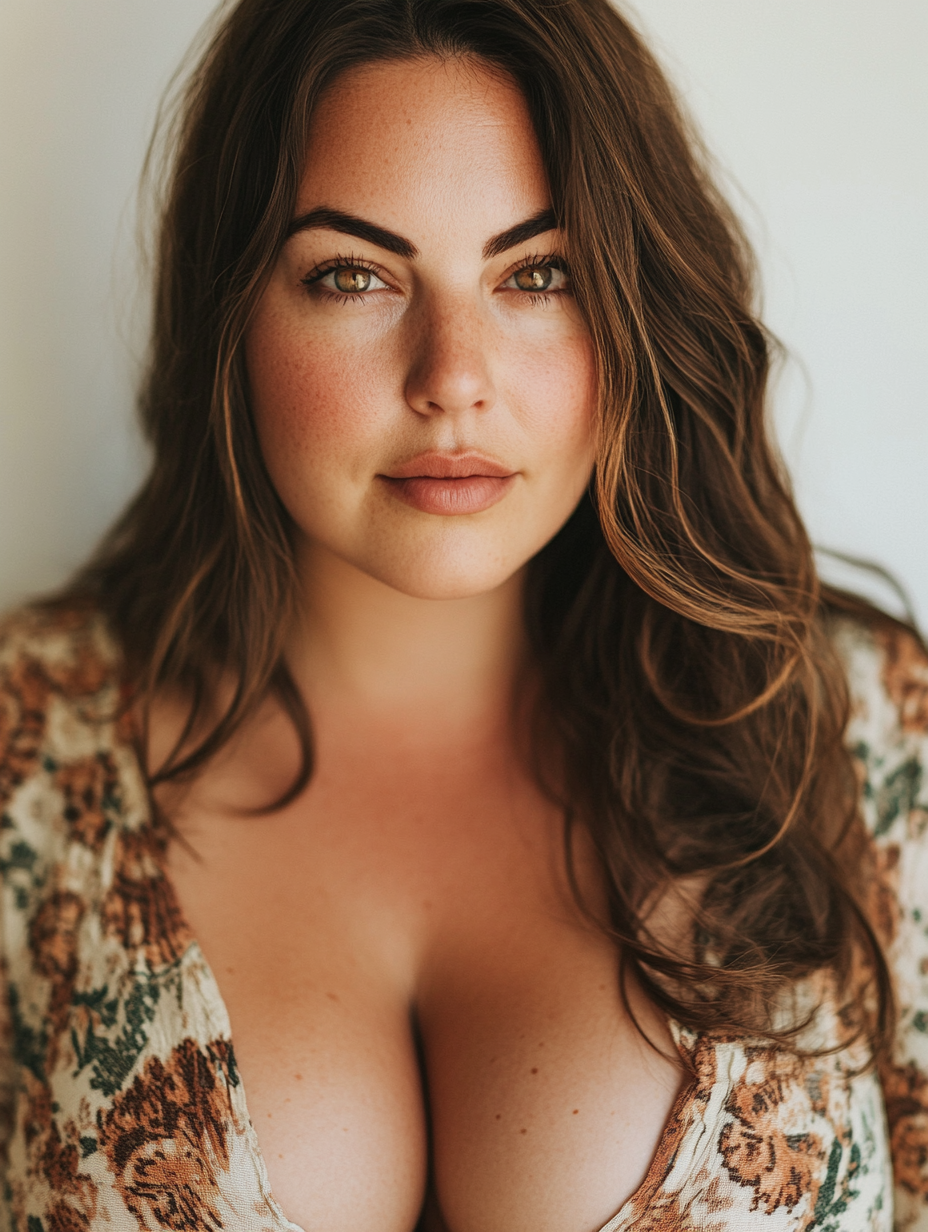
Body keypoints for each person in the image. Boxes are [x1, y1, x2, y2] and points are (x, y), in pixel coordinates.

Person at [0, 0, 925, 1228]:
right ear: (234, 317)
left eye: (536, 273)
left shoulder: (854, 729)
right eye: (354, 275)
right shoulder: (25, 748)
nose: (452, 377)